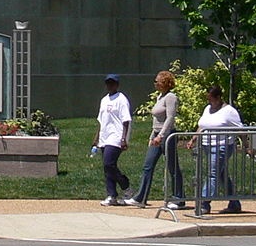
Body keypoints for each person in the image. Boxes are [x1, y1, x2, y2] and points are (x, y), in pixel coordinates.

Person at [133, 69, 183, 209]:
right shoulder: (159, 97)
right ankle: (141, 197)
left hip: (167, 136)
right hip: (156, 135)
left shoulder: (171, 97)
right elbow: (156, 120)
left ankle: (179, 198)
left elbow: (170, 118)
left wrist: (161, 135)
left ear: (165, 82)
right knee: (148, 166)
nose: (155, 83)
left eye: (157, 81)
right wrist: (152, 136)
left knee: (173, 168)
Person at [194, 84, 244, 216]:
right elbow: (202, 126)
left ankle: (204, 203)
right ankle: (234, 203)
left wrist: (246, 146)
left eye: (211, 99)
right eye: (208, 99)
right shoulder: (207, 109)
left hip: (222, 146)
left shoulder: (229, 111)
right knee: (221, 174)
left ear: (219, 97)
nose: (210, 102)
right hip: (207, 145)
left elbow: (241, 130)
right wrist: (193, 138)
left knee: (213, 174)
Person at [94, 74, 133, 205]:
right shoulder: (104, 100)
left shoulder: (121, 99)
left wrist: (124, 138)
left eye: (113, 83)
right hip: (105, 137)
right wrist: (97, 137)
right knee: (108, 168)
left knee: (109, 164)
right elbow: (100, 121)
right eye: (108, 83)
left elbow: (126, 120)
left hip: (116, 136)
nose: (110, 86)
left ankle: (126, 186)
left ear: (117, 84)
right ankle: (112, 195)